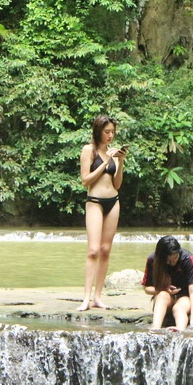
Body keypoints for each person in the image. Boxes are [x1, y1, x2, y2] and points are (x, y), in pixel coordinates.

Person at [79, 115, 127, 311]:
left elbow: (117, 184)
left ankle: (98, 297)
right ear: (98, 131)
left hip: (113, 201)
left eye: (113, 132)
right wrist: (105, 161)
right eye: (107, 132)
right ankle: (86, 298)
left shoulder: (113, 153)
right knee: (93, 251)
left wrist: (119, 162)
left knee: (106, 250)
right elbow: (85, 180)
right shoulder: (88, 150)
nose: (110, 136)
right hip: (95, 202)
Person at [142, 235, 193, 330]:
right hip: (165, 298)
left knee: (179, 308)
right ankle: (155, 327)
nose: (173, 262)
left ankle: (179, 328)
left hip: (184, 298)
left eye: (175, 258)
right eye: (168, 261)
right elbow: (147, 289)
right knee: (162, 295)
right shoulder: (152, 259)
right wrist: (164, 289)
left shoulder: (188, 258)